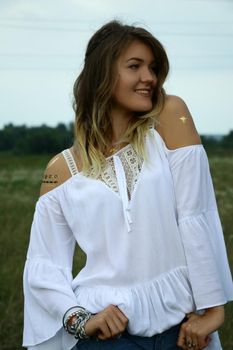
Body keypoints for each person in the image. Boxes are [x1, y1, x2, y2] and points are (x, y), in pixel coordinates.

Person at [23, 20, 233, 350]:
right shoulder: (61, 170)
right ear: (101, 75)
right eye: (135, 66)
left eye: (152, 67)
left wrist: (214, 308)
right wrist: (81, 320)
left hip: (182, 329)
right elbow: (44, 267)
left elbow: (197, 215)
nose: (149, 77)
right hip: (107, 337)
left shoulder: (169, 120)